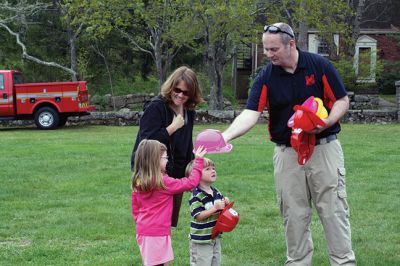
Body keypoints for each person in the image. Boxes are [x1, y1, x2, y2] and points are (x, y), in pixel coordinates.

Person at [222, 23, 356, 265]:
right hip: (287, 154)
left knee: (334, 212)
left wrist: (327, 122)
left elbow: (341, 100)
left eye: (273, 49)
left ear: (291, 44)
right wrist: (225, 136)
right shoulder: (266, 75)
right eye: (265, 49)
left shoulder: (319, 65)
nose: (268, 54)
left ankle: (344, 262)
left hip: (324, 148)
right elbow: (251, 113)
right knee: (293, 216)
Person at [131, 66, 204, 227]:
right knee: (154, 222)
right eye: (177, 90)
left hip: (176, 173)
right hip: (153, 174)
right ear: (171, 87)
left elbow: (186, 143)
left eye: (186, 93)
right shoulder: (156, 107)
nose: (180, 95)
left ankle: (162, 250)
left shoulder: (188, 111)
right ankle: (153, 250)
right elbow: (146, 142)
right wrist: (172, 127)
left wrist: (190, 167)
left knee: (168, 221)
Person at [131, 139, 207, 266]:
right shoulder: (164, 182)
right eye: (165, 157)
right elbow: (190, 183)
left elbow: (135, 208)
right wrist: (198, 160)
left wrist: (141, 223)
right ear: (155, 160)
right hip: (157, 233)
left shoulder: (139, 181)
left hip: (144, 231)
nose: (167, 160)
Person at [185, 158, 230, 266]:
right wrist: (214, 208)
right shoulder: (196, 195)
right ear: (197, 175)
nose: (213, 171)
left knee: (215, 262)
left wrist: (226, 204)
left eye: (213, 168)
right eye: (208, 169)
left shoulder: (216, 192)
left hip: (214, 236)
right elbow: (198, 216)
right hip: (201, 239)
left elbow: (222, 211)